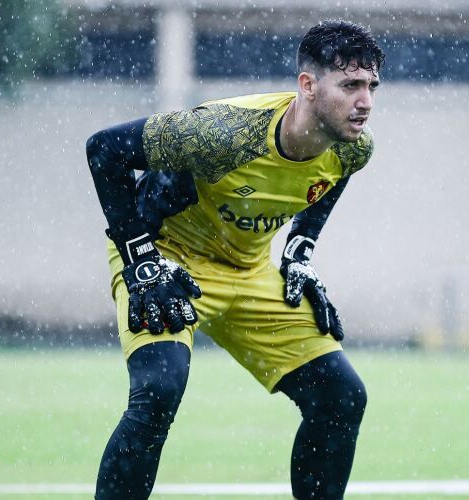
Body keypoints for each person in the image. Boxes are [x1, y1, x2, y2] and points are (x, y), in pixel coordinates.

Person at [85, 19, 384, 500]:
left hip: (249, 270)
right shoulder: (226, 133)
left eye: (371, 86)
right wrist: (142, 260)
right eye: (350, 85)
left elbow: (330, 180)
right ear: (307, 85)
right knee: (158, 393)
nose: (365, 102)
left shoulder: (353, 148)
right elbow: (104, 150)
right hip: (167, 261)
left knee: (341, 397)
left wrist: (300, 250)